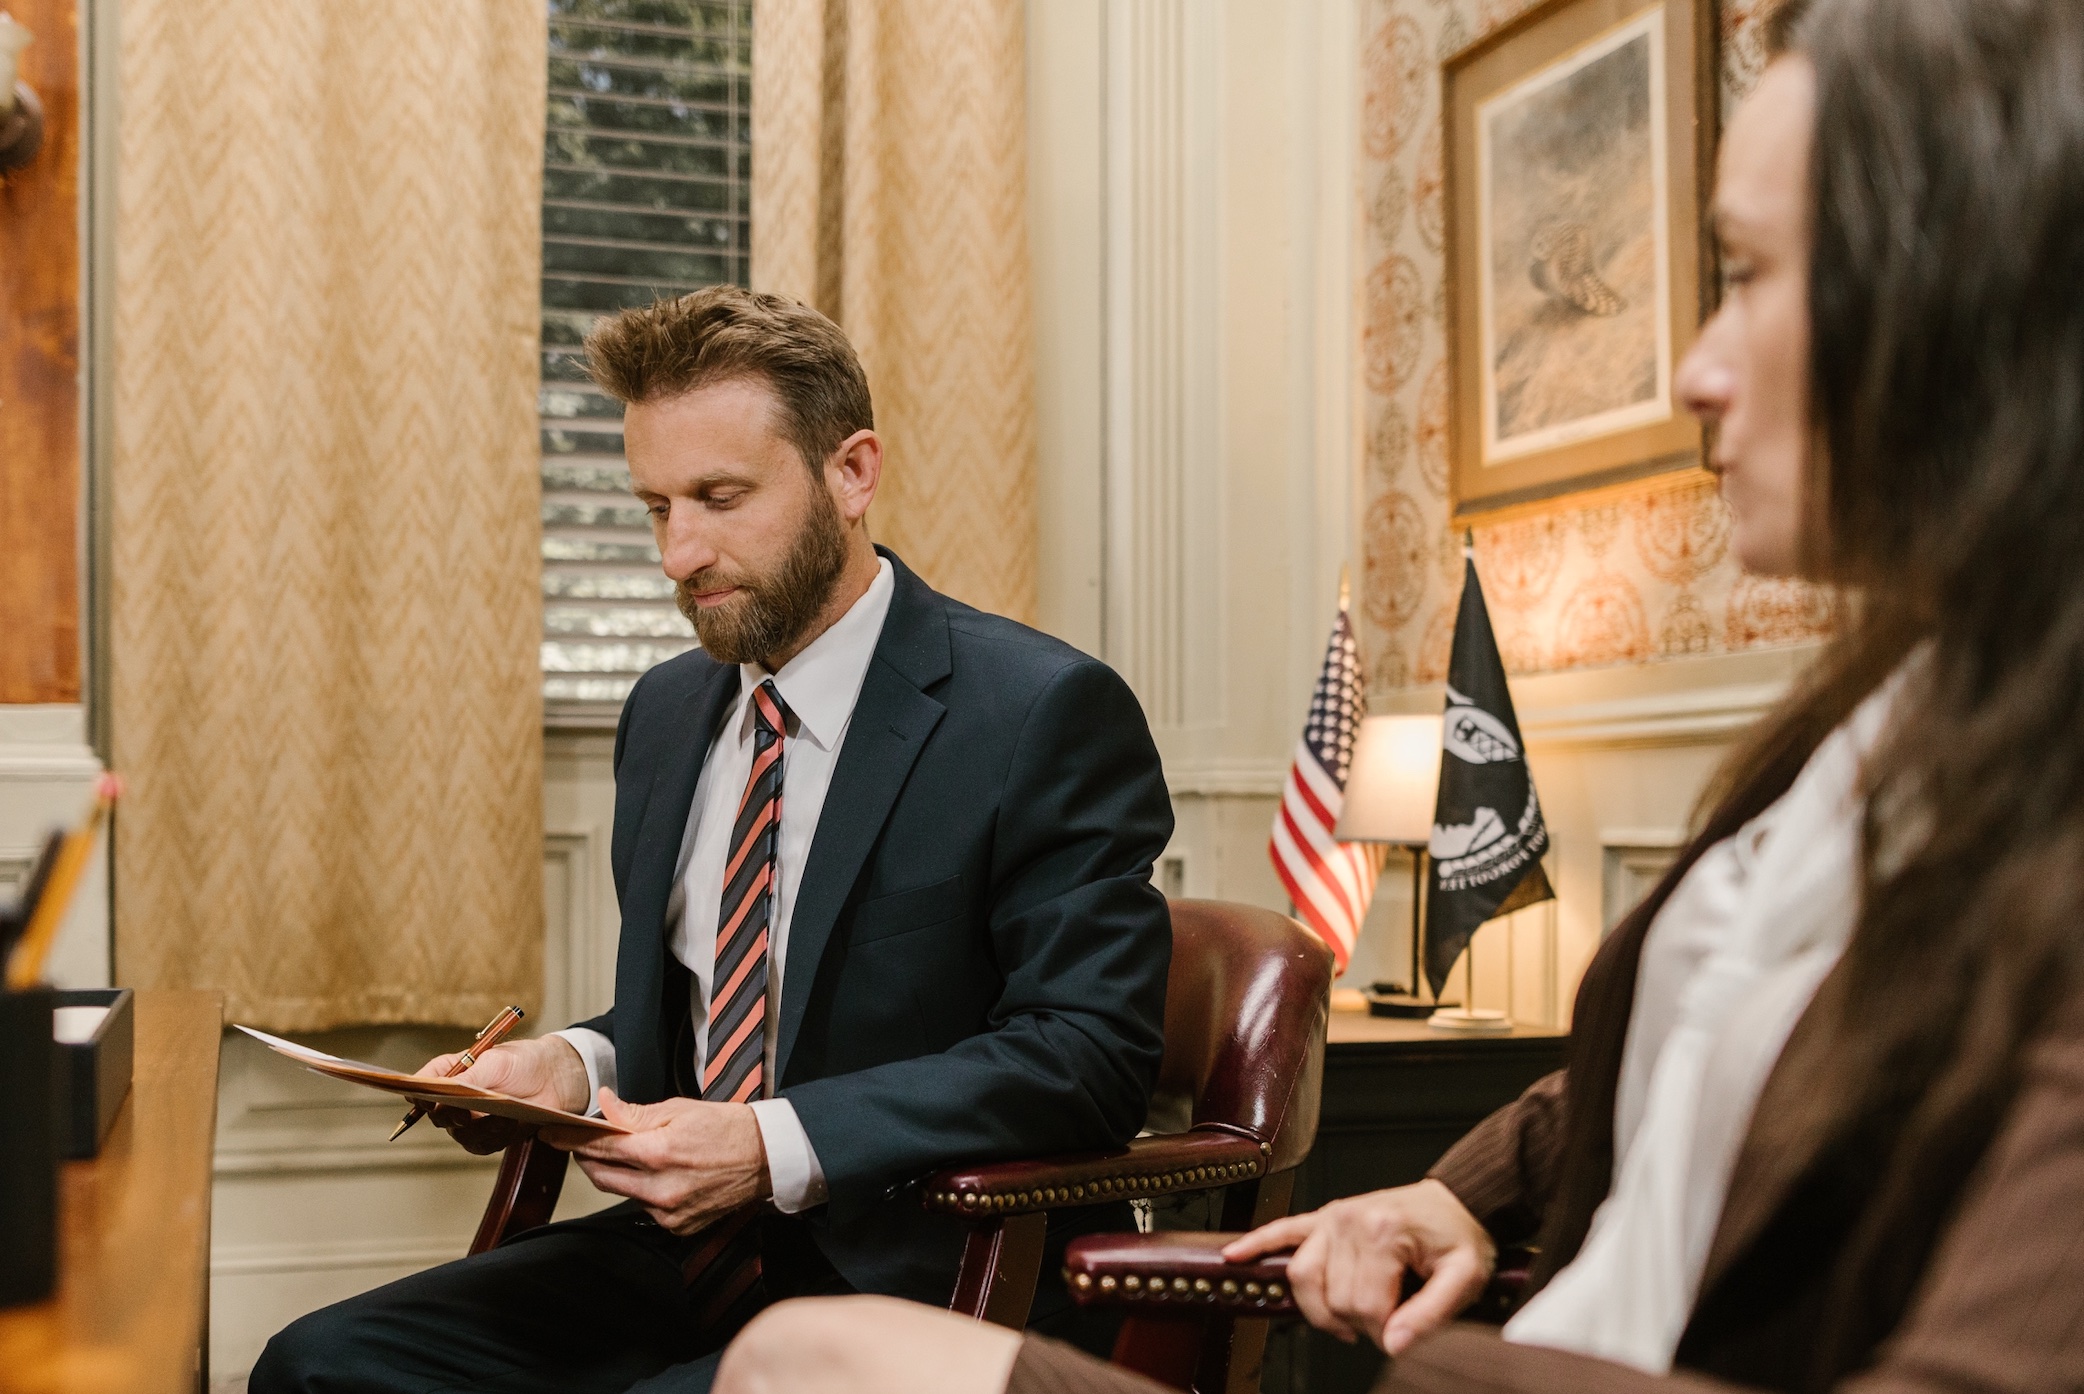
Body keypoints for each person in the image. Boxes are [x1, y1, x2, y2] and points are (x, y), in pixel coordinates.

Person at [706, 0, 2084, 1391]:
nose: (1696, 369)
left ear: (1980, 300)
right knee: (803, 1354)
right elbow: (1700, 1053)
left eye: (1751, 275)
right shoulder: (1886, 718)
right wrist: (1455, 1193)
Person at [250, 287, 1176, 1393]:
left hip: (919, 1267)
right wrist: (567, 1065)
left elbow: (1086, 1055)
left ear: (852, 472)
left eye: (720, 497)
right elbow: (701, 1021)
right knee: (317, 1364)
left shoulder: (1038, 711)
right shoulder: (667, 712)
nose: (678, 553)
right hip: (684, 1254)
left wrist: (767, 1144)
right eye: (654, 506)